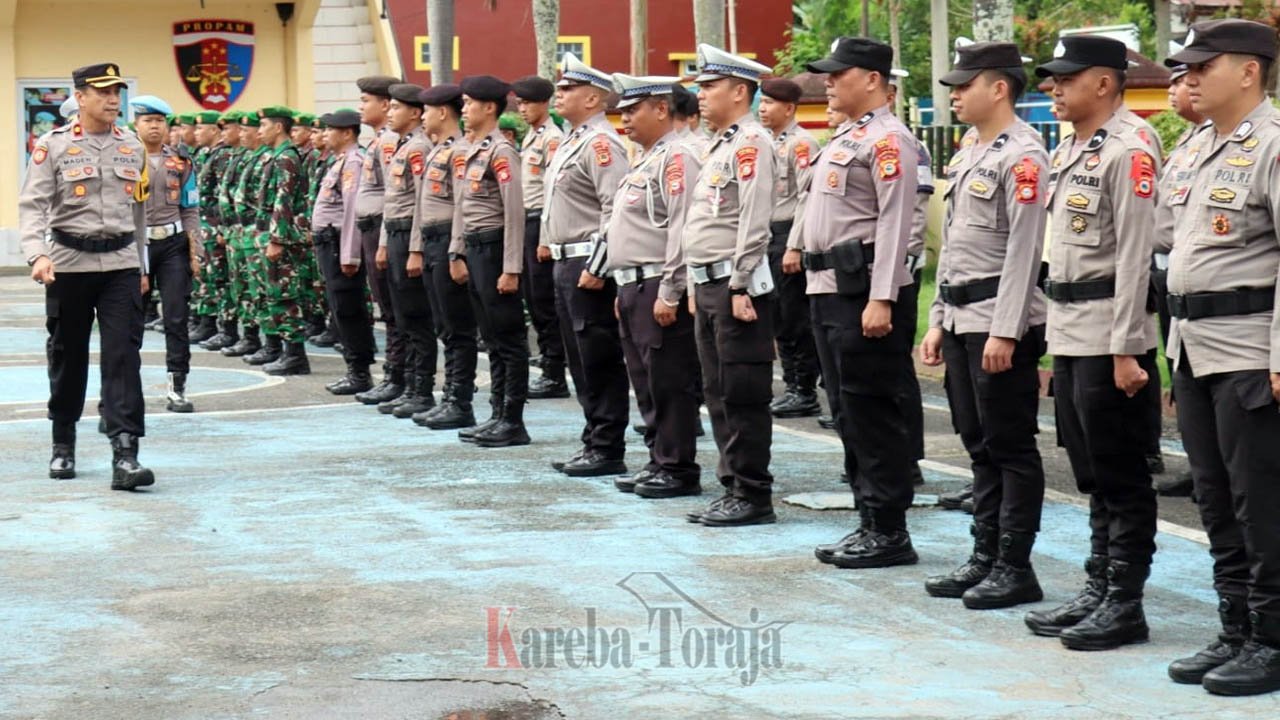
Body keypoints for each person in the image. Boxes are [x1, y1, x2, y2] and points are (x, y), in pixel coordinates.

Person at [1023, 35, 1161, 651]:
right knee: (1091, 473)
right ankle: (1099, 585)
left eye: (1067, 78)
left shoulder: (1131, 148)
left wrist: (1128, 347)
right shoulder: (1075, 147)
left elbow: (1135, 257)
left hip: (1110, 334)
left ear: (1104, 83)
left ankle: (1125, 601)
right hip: (1073, 331)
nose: (1054, 87)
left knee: (1121, 472)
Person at [1160, 19, 1280, 696]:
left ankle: (1271, 637)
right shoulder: (1197, 147)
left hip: (1248, 351)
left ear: (1250, 71)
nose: (1191, 76)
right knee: (1213, 497)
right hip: (1193, 347)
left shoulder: (1273, 147)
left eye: (1206, 64)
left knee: (1258, 498)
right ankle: (1235, 626)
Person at [919, 42, 1049, 607]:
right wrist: (938, 320)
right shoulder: (972, 149)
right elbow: (953, 250)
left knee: (1010, 446)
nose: (954, 94)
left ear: (998, 88)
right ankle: (985, 555)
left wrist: (1006, 329)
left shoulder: (1024, 155)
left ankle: (1015, 565)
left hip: (999, 320)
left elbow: (1026, 251)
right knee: (977, 443)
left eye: (963, 84)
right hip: (963, 317)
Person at [801, 38, 920, 564]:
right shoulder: (848, 135)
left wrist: (883, 297)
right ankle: (868, 519)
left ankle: (891, 530)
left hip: (864, 292)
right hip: (829, 289)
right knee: (847, 411)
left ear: (872, 79)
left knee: (873, 412)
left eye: (838, 73)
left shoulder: (890, 140)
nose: (828, 82)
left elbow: (897, 223)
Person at [20, 62, 154, 490]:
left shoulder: (132, 147)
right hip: (68, 264)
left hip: (119, 265)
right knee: (67, 355)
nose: (113, 100)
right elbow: (32, 205)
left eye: (117, 92)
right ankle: (63, 444)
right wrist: (37, 255)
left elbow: (138, 212)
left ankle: (126, 453)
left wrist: (142, 266)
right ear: (81, 97)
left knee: (122, 357)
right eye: (103, 93)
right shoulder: (53, 146)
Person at [680, 45, 777, 527]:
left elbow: (755, 223)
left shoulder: (752, 143)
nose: (700, 95)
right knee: (717, 390)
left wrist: (740, 284)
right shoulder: (721, 143)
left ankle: (754, 493)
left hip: (736, 286)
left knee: (741, 390)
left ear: (740, 92)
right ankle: (733, 485)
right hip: (710, 284)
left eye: (709, 86)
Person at [605, 73, 704, 499]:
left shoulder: (679, 157)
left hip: (656, 285)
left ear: (661, 109)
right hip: (632, 285)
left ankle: (677, 467)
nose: (624, 119)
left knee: (669, 381)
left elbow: (682, 228)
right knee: (645, 380)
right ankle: (658, 458)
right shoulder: (647, 157)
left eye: (632, 110)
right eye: (622, 111)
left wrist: (670, 291)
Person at [542, 53, 631, 477]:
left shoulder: (601, 144)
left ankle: (608, 446)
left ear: (593, 98)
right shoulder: (572, 139)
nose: (558, 94)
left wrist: (598, 266)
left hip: (586, 264)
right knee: (579, 358)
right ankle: (594, 438)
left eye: (567, 89)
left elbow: (616, 209)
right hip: (565, 263)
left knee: (597, 356)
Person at [450, 75, 531, 447]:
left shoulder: (502, 151)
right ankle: (497, 413)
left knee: (509, 339)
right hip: (477, 248)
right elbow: (464, 208)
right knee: (492, 338)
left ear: (489, 107)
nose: (463, 110)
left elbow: (515, 212)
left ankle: (512, 420)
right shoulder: (474, 150)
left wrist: (511, 268)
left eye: (468, 103)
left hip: (497, 249)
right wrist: (459, 251)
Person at [1148, 64, 1204, 499]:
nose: (1173, 89)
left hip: (1211, 285)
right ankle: (1199, 462)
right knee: (1181, 370)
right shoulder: (1187, 142)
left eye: (1181, 80)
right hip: (1170, 274)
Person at [411, 84, 480, 430]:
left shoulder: (459, 152)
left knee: (457, 327)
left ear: (442, 112)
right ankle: (449, 396)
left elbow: (461, 207)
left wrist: (456, 250)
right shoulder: (439, 150)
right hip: (432, 239)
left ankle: (460, 401)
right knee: (443, 325)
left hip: (449, 242)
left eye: (426, 110)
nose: (422, 117)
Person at [130, 95, 203, 413]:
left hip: (173, 245)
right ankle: (123, 390)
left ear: (167, 125)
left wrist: (195, 252)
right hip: (136, 246)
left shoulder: (182, 162)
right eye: (148, 121)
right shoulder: (125, 159)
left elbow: (190, 208)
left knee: (176, 317)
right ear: (137, 125)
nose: (155, 126)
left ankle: (177, 387)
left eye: (160, 121)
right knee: (129, 321)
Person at [758, 78, 822, 420]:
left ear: (789, 108)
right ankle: (792, 384)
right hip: (767, 235)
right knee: (778, 316)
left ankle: (803, 389)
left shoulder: (802, 144)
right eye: (761, 102)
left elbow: (805, 199)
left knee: (793, 315)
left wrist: (795, 245)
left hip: (787, 236)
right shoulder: (765, 143)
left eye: (769, 103)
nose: (762, 109)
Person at [375, 83, 439, 418]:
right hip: (396, 236)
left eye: (396, 108)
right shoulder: (402, 146)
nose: (390, 113)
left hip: (411, 238)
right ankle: (412, 386)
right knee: (403, 315)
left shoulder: (418, 148)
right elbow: (392, 202)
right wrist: (385, 243)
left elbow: (419, 204)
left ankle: (422, 389)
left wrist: (415, 249)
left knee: (416, 316)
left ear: (415, 113)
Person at [311, 109, 378, 395]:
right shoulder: (340, 162)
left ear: (347, 133)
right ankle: (355, 369)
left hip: (340, 244)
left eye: (330, 130)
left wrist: (350, 254)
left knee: (348, 309)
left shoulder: (354, 163)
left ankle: (359, 372)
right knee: (341, 308)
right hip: (329, 242)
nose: (325, 135)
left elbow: (353, 211)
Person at [512, 75, 570, 400]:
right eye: (519, 103)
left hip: (540, 224)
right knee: (534, 299)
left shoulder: (551, 139)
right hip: (527, 221)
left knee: (544, 301)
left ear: (544, 104)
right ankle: (549, 360)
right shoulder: (531, 137)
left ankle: (554, 372)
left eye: (527, 103)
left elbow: (552, 191)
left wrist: (546, 237)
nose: (522, 109)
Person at [354, 75, 409, 405]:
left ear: (385, 105)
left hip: (383, 228)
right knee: (388, 308)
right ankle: (397, 373)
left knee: (394, 308)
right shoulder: (379, 140)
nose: (361, 107)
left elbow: (395, 195)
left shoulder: (389, 143)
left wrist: (385, 241)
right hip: (373, 228)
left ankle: (398, 375)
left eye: (366, 101)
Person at [254, 106, 314, 375]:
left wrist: (276, 239)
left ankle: (295, 355)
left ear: (278, 127)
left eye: (263, 125)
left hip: (284, 237)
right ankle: (284, 351)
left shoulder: (286, 158)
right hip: (272, 231)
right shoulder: (276, 156)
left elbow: (284, 199)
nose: (259, 131)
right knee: (273, 294)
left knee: (284, 294)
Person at [223, 112, 273, 361]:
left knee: (260, 290)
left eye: (246, 130)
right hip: (241, 232)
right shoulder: (248, 157)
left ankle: (268, 342)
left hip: (256, 232)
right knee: (242, 287)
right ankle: (250, 336)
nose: (242, 134)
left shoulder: (265, 159)